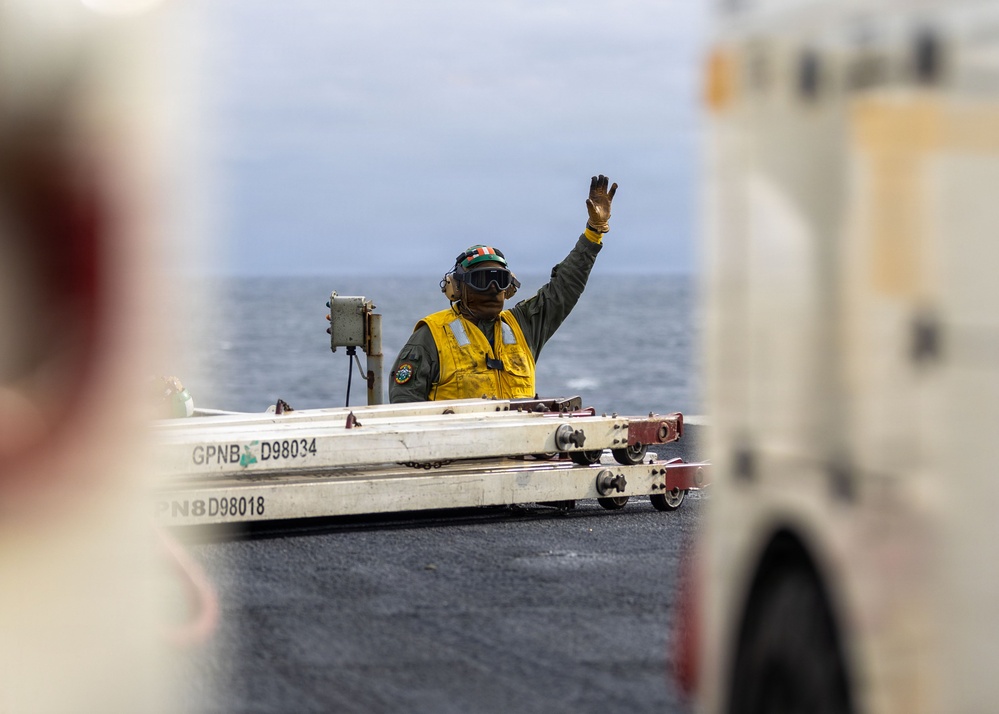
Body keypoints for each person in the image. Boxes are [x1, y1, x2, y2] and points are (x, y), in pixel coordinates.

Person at [389, 174, 617, 403]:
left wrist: (593, 232)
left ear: (509, 288)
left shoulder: (524, 327)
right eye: (481, 279)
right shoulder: (431, 337)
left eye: (499, 279)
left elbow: (565, 287)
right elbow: (405, 407)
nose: (492, 288)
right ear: (457, 288)